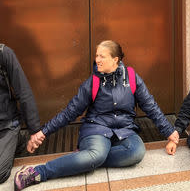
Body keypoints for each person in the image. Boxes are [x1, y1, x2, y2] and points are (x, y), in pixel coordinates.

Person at [14, 40, 179, 190]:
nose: (97, 59)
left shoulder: (132, 78)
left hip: (124, 129)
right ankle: (38, 172)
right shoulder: (93, 82)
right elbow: (70, 112)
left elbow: (150, 106)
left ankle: (86, 159)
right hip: (96, 128)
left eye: (102, 56)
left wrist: (170, 133)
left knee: (136, 153)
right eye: (96, 55)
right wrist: (43, 132)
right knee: (97, 154)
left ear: (115, 59)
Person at [0, 44, 42, 184]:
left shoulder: (3, 53)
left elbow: (23, 92)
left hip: (7, 125)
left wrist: (34, 130)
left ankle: (18, 140)